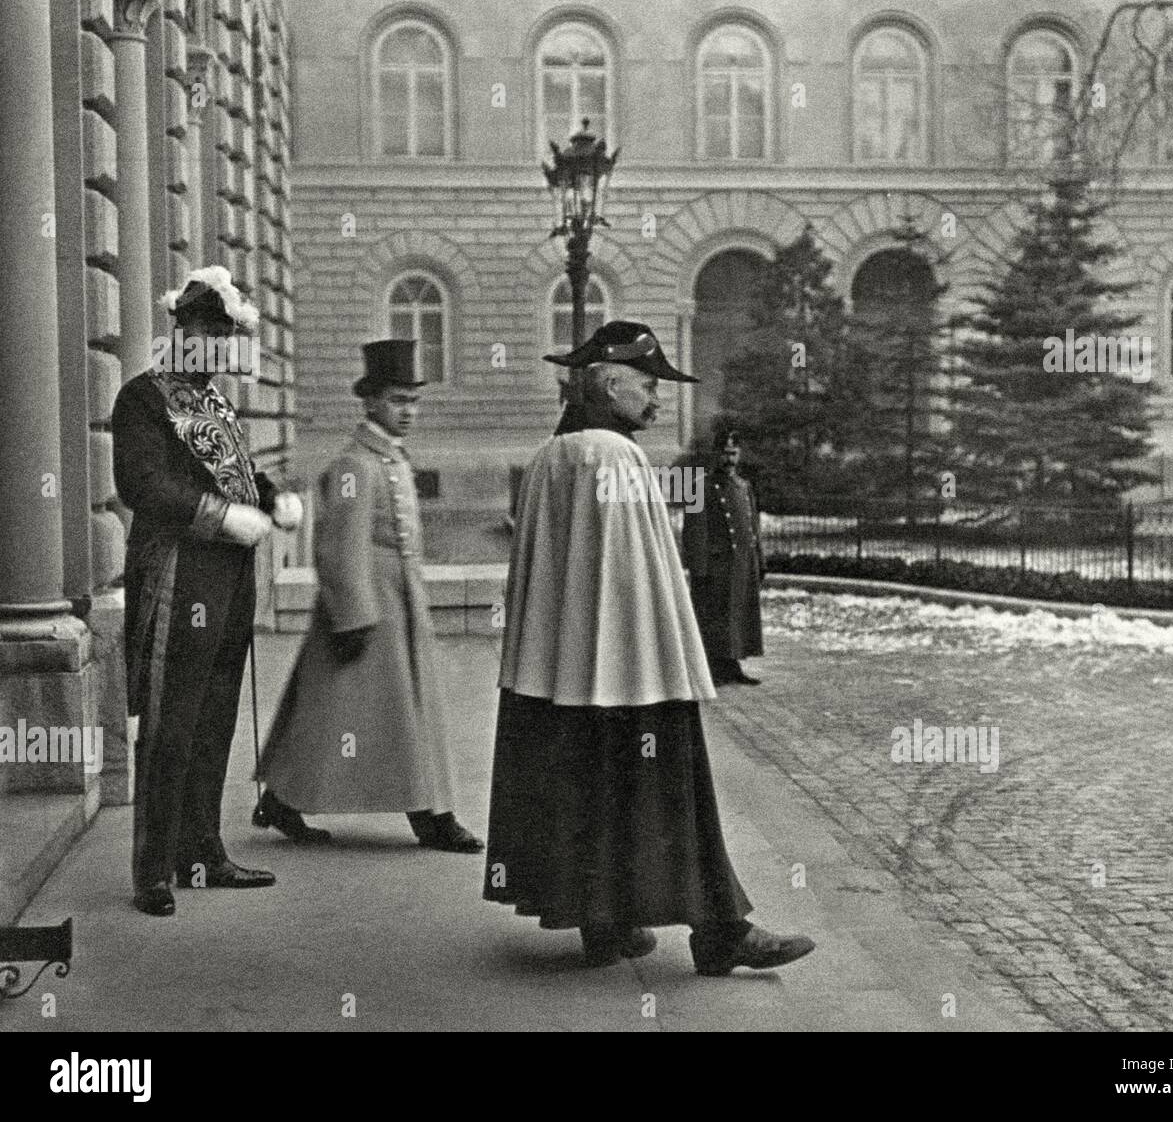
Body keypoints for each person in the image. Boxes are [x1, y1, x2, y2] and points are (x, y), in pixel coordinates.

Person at [483, 320, 814, 975]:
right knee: (672, 793)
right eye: (648, 383)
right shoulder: (617, 458)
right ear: (609, 382)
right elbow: (643, 583)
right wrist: (673, 660)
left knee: (583, 789)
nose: (658, 399)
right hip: (630, 672)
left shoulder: (549, 460)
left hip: (555, 675)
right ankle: (721, 932)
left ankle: (603, 923)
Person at [113, 266, 303, 917]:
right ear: (180, 332)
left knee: (217, 711)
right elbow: (143, 485)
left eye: (224, 338)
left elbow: (236, 476)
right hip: (177, 569)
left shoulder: (218, 403)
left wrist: (274, 499)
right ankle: (153, 870)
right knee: (171, 718)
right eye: (204, 334)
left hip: (228, 575)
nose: (215, 348)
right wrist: (220, 517)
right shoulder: (143, 398)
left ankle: (201, 851)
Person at [253, 340, 483, 853]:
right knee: (361, 712)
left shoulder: (391, 459)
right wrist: (354, 615)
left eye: (414, 401)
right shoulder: (356, 465)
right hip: (367, 606)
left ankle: (284, 800)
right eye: (399, 400)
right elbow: (337, 546)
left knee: (345, 711)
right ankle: (430, 817)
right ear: (371, 402)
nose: (409, 412)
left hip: (399, 601)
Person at [683, 428, 765, 685]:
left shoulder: (744, 486)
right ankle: (714, 668)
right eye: (725, 454)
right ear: (715, 454)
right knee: (715, 617)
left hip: (741, 563)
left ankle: (733, 665)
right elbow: (694, 531)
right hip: (716, 566)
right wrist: (699, 569)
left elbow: (754, 526)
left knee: (737, 616)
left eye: (734, 454)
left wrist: (759, 561)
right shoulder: (699, 486)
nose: (729, 460)